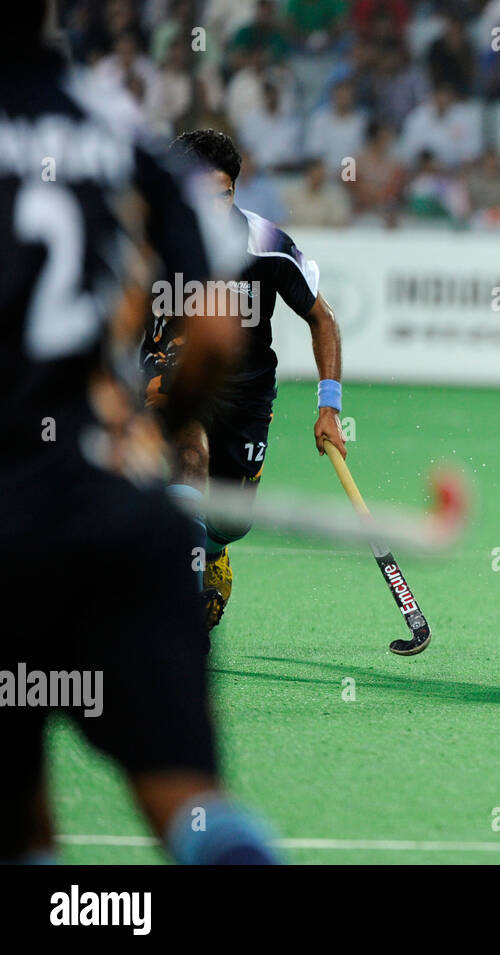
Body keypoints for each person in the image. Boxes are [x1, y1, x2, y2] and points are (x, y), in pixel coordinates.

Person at [0, 1, 278, 863]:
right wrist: (162, 434)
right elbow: (220, 329)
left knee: (20, 826)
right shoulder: (116, 124)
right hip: (125, 511)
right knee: (194, 805)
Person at [143, 129, 348, 635]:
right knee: (188, 461)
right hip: (174, 383)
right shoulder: (151, 242)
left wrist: (329, 406)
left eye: (224, 194)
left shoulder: (269, 245)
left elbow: (323, 320)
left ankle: (213, 554)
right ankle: (179, 621)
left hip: (248, 393)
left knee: (231, 519)